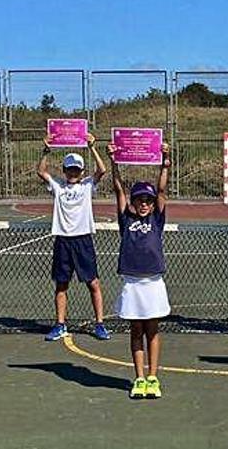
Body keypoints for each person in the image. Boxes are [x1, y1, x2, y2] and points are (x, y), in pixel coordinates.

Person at [108, 142, 172, 399]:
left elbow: (162, 189)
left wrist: (165, 162)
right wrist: (114, 161)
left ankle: (154, 377)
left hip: (153, 283)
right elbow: (118, 188)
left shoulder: (157, 219)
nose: (144, 203)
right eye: (140, 200)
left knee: (152, 331)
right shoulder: (127, 219)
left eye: (148, 200)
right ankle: (139, 379)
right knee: (136, 331)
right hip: (132, 284)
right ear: (133, 202)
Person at [37, 134, 110, 342]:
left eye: (76, 169)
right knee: (61, 284)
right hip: (63, 240)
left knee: (93, 283)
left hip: (83, 240)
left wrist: (92, 147)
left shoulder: (87, 185)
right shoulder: (58, 186)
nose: (73, 173)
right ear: (64, 170)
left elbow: (102, 170)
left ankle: (100, 324)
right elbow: (41, 171)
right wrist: (46, 150)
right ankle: (60, 324)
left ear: (81, 171)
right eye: (69, 169)